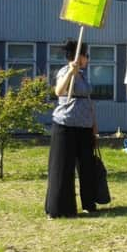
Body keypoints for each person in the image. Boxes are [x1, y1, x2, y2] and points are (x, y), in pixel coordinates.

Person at [45, 40, 98, 218]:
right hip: (66, 124)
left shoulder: (83, 75)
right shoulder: (65, 71)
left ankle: (89, 203)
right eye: (86, 56)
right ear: (78, 57)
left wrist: (94, 124)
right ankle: (59, 208)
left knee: (86, 166)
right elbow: (58, 91)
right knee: (63, 167)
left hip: (84, 126)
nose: (88, 59)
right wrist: (70, 73)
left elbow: (88, 100)